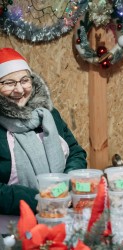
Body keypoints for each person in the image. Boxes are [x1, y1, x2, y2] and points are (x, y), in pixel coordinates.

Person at [0, 48, 87, 234]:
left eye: (25, 80)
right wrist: (40, 199)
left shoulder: (48, 114)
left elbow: (76, 152)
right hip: (10, 228)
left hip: (61, 219)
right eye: (9, 83)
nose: (20, 89)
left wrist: (67, 184)